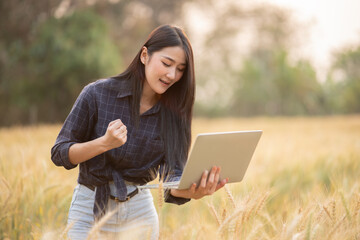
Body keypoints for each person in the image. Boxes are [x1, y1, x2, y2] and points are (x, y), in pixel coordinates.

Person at [51, 24, 228, 240]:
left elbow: (172, 178)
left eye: (181, 69)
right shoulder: (97, 94)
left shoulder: (175, 115)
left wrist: (194, 191)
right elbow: (60, 152)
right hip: (89, 208)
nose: (172, 75)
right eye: (166, 63)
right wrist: (104, 143)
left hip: (139, 212)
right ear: (145, 55)